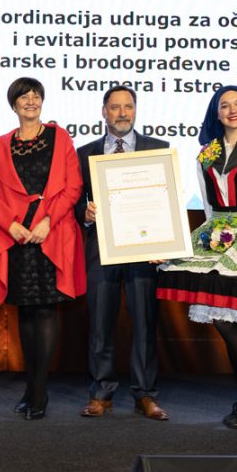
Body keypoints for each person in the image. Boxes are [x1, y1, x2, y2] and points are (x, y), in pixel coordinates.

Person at [157, 84, 237, 429]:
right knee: (226, 321)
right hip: (219, 234)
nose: (232, 110)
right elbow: (208, 205)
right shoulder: (207, 154)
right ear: (216, 113)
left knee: (228, 322)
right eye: (225, 105)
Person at [0, 77, 86, 420]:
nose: (30, 101)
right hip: (17, 237)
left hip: (49, 234)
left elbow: (73, 186)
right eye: (23, 97)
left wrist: (48, 222)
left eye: (36, 95)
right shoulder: (1, 144)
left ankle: (39, 392)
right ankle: (31, 387)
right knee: (25, 311)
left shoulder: (60, 137)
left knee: (46, 310)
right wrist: (10, 224)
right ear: (13, 105)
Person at [76, 85, 171, 421]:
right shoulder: (84, 152)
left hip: (144, 250)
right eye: (114, 107)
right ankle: (101, 393)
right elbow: (74, 199)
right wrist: (84, 213)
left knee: (145, 324)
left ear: (135, 110)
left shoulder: (158, 149)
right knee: (100, 326)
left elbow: (167, 200)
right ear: (104, 112)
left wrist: (165, 242)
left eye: (128, 107)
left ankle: (145, 395)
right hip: (101, 249)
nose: (121, 113)